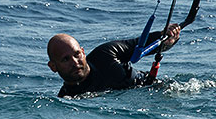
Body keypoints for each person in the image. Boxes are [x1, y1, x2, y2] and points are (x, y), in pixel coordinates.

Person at [47, 24, 181, 97]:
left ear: (83, 52)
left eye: (77, 54)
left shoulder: (106, 54)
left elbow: (143, 44)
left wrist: (167, 37)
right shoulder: (67, 99)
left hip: (163, 90)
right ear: (53, 67)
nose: (75, 62)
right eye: (65, 59)